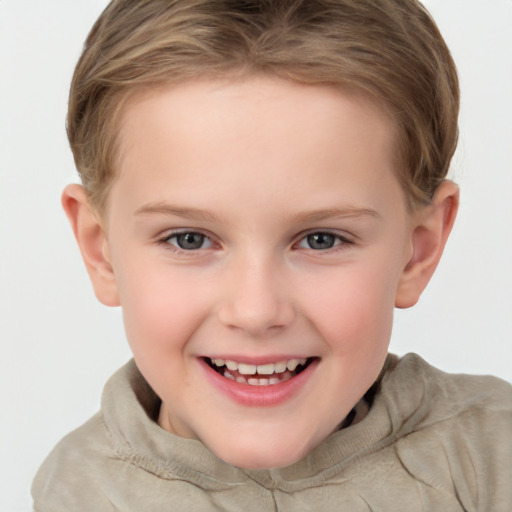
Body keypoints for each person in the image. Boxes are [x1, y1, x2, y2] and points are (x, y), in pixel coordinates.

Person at [31, 0, 512, 510]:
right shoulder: (77, 491)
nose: (256, 311)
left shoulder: (492, 457)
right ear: (100, 250)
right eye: (188, 239)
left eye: (322, 239)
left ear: (419, 249)